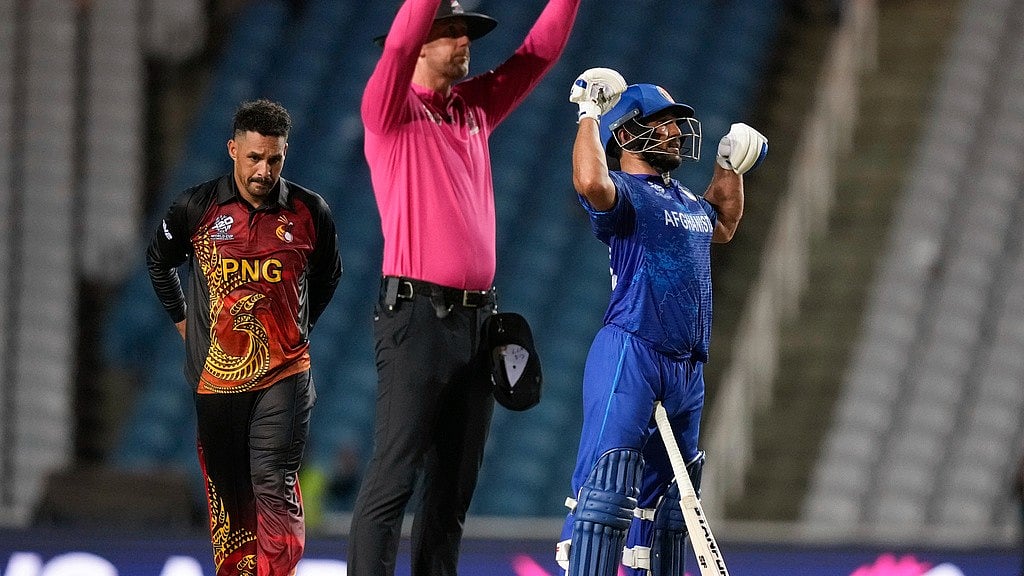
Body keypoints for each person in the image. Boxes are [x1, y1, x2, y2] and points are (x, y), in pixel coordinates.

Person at [348, 0, 580, 575]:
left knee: (451, 492)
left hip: (477, 324)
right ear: (420, 44)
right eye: (448, 31)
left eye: (465, 31)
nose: (463, 41)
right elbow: (397, 46)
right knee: (394, 480)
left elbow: (538, 54)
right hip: (416, 317)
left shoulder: (472, 109)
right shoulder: (390, 112)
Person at [554, 69, 767, 576]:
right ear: (626, 133)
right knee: (607, 493)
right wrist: (588, 113)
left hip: (686, 366)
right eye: (663, 123)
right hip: (632, 350)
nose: (675, 132)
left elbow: (724, 223)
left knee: (673, 510)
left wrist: (727, 166)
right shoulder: (624, 193)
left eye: (676, 123)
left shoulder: (687, 202)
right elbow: (589, 180)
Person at [147, 99, 342, 576]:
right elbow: (159, 262)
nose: (263, 170)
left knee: (272, 482)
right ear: (233, 149)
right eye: (254, 157)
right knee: (229, 500)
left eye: (274, 158)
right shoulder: (195, 208)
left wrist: (297, 327)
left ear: (285, 153)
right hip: (216, 381)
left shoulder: (309, 211)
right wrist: (183, 320)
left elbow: (328, 276)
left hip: (285, 373)